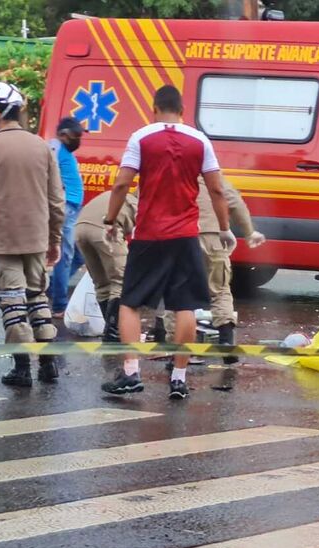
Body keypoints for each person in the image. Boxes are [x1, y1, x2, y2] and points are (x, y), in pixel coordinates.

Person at [101, 85, 233, 400]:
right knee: (184, 304)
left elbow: (122, 183)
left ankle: (131, 372)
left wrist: (111, 220)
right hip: (186, 234)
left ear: (154, 107)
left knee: (130, 302)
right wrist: (225, 227)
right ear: (183, 110)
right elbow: (216, 189)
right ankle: (178, 377)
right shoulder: (200, 140)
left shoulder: (141, 137)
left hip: (149, 234)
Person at [0, 82, 64, 387]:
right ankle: (48, 364)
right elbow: (56, 199)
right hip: (36, 236)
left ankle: (22, 368)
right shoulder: (42, 146)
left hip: (4, 239)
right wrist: (55, 238)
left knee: (13, 301)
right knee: (37, 296)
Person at [163, 175, 265, 364]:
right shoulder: (214, 178)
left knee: (176, 294)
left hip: (180, 238)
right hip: (213, 238)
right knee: (220, 290)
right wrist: (249, 232)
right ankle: (226, 342)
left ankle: (175, 350)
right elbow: (235, 202)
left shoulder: (174, 177)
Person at [73, 188, 137, 342]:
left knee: (101, 283)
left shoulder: (112, 196)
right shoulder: (138, 204)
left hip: (80, 230)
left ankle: (109, 330)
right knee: (121, 280)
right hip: (104, 230)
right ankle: (114, 332)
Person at [47, 117, 86, 319]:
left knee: (80, 254)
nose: (78, 139)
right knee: (65, 256)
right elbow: (47, 174)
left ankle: (51, 290)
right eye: (75, 135)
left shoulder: (65, 151)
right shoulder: (54, 148)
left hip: (72, 208)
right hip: (65, 208)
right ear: (63, 134)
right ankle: (59, 305)